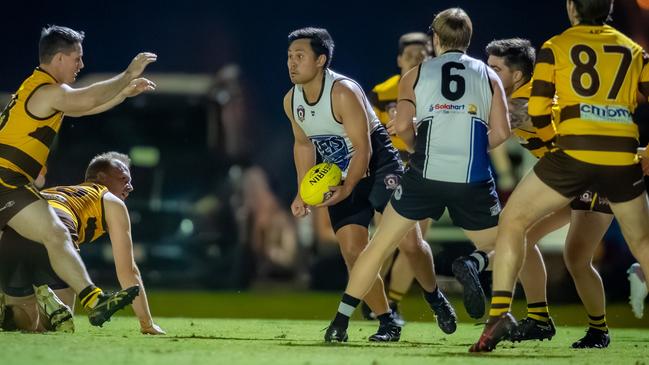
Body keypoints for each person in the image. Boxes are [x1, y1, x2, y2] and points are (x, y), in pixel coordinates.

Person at [471, 0, 649, 352]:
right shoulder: (634, 50)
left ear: (572, 8)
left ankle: (500, 315)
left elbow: (539, 110)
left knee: (513, 222)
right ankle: (592, 328)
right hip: (621, 155)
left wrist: (558, 150)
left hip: (574, 153)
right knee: (638, 245)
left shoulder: (556, 46)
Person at [325, 7, 510, 342]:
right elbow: (502, 131)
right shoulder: (488, 74)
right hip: (473, 178)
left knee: (379, 245)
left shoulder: (414, 75)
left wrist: (419, 145)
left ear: (435, 39)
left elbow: (407, 133)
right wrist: (471, 150)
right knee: (507, 243)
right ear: (468, 38)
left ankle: (341, 320)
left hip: (424, 174)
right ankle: (476, 264)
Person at [284, 27, 456, 343]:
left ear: (321, 60)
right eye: (289, 57)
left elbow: (363, 148)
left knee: (409, 244)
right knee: (352, 251)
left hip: (379, 166)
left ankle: (434, 298)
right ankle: (387, 320)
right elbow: (303, 145)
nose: (292, 63)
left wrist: (348, 188)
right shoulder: (290, 100)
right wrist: (301, 191)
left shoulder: (343, 92)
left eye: (300, 56)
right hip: (340, 173)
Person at [0, 25, 156, 327]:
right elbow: (83, 100)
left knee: (54, 233)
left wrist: (122, 94)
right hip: (7, 180)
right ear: (59, 59)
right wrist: (126, 74)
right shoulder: (47, 92)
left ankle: (94, 298)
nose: (81, 65)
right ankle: (93, 298)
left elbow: (82, 108)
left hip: (9, 181)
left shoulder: (40, 89)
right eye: (77, 58)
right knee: (56, 233)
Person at [487, 38, 618, 348]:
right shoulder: (516, 98)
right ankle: (540, 319)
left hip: (592, 178)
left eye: (495, 69)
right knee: (525, 236)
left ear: (517, 76)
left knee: (575, 257)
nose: (488, 75)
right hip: (568, 178)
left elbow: (485, 133)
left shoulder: (522, 103)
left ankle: (597, 329)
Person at [0, 152, 165, 334]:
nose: (130, 187)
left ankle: (11, 314)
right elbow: (128, 270)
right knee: (58, 327)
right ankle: (54, 308)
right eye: (124, 179)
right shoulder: (110, 200)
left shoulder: (55, 190)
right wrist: (146, 323)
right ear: (101, 177)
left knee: (23, 322)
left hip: (11, 236)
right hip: (56, 230)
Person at [366, 31, 429, 325]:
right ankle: (373, 297)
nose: (417, 59)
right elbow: (373, 135)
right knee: (387, 238)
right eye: (411, 55)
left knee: (415, 244)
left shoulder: (437, 90)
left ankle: (393, 303)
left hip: (425, 168)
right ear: (399, 59)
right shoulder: (384, 91)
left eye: (423, 54)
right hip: (394, 168)